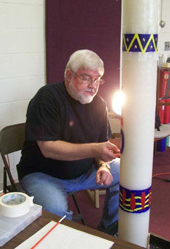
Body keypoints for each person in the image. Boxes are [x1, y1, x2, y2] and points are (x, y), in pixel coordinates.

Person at [17, 49, 120, 235]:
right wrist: (95, 149)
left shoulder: (99, 104)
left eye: (98, 80)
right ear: (69, 75)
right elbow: (48, 149)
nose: (93, 86)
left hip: (83, 172)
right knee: (56, 213)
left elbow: (101, 148)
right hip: (44, 175)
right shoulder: (47, 98)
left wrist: (104, 165)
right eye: (87, 78)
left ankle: (108, 230)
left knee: (124, 172)